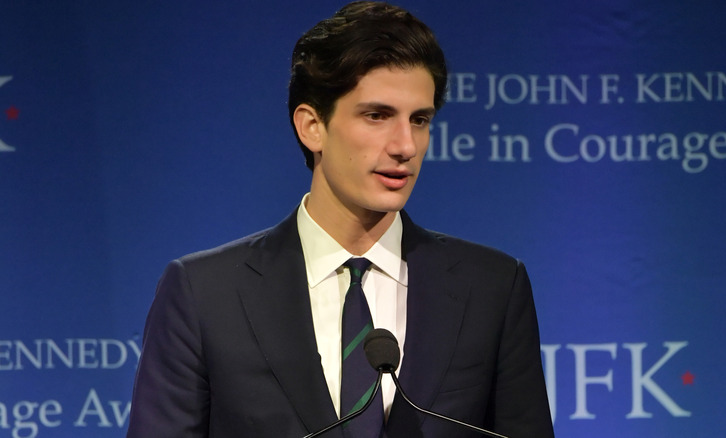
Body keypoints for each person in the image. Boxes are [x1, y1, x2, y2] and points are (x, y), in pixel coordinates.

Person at [126, 2, 554, 437]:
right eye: (377, 116)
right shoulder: (205, 294)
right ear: (312, 126)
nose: (405, 145)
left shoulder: (492, 288)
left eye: (420, 120)